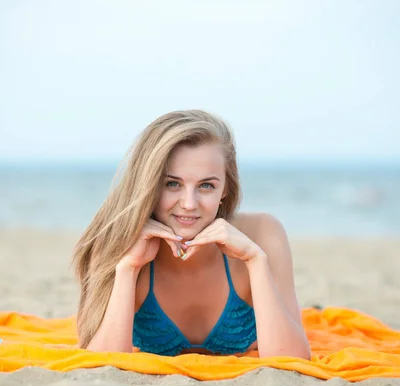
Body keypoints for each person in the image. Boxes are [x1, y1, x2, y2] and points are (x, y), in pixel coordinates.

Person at [72, 110, 311, 359]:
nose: (188, 203)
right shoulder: (116, 241)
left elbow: (292, 359)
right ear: (148, 184)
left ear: (226, 189)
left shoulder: (263, 233)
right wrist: (128, 268)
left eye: (206, 185)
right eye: (172, 184)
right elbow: (102, 363)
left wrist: (255, 260)